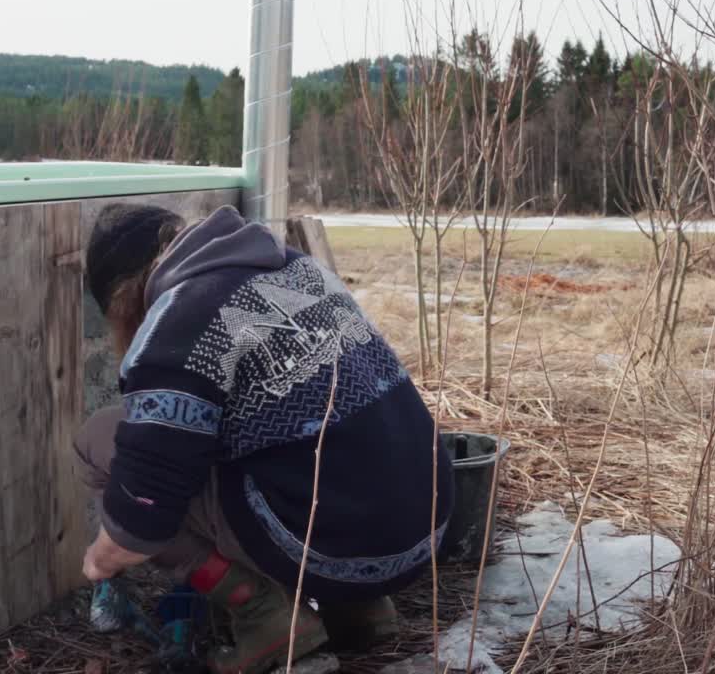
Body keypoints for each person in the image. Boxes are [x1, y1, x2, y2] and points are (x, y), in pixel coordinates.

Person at [75, 204, 454, 674]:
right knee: (293, 443)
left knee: (98, 438)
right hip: (421, 533)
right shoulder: (297, 268)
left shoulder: (180, 320)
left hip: (330, 550)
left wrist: (101, 559)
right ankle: (358, 608)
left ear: (124, 297)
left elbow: (143, 513)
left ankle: (263, 615)